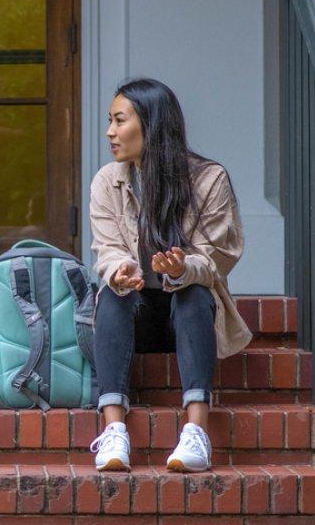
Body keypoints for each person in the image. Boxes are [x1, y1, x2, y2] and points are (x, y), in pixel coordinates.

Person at [87, 78, 252, 473]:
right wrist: (120, 270)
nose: (110, 131)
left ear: (152, 124)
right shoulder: (107, 181)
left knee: (193, 294)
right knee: (111, 295)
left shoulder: (209, 179)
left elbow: (217, 257)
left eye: (119, 120)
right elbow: (106, 249)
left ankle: (196, 432)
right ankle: (114, 433)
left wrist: (182, 268)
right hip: (137, 316)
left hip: (190, 318)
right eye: (109, 121)